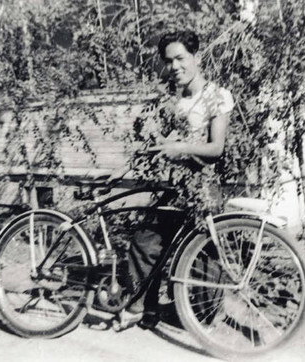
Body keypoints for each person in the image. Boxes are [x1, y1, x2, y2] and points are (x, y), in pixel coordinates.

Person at [109, 30, 235, 329]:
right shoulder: (171, 100)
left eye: (181, 58)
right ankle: (142, 306)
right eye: (169, 61)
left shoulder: (217, 96)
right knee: (145, 242)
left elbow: (216, 148)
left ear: (197, 57)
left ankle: (199, 314)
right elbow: (163, 144)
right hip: (173, 185)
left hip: (203, 187)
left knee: (205, 255)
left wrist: (181, 148)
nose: (174, 66)